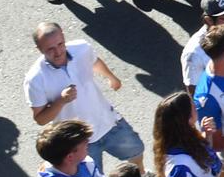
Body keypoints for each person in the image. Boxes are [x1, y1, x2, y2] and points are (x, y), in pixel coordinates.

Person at [25, 22, 142, 165]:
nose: (58, 52)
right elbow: (40, 119)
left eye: (60, 44)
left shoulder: (81, 48)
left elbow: (94, 61)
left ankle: (142, 176)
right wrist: (61, 101)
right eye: (50, 49)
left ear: (63, 35)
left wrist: (111, 77)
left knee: (136, 150)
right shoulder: (35, 79)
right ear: (39, 49)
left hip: (108, 122)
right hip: (78, 142)